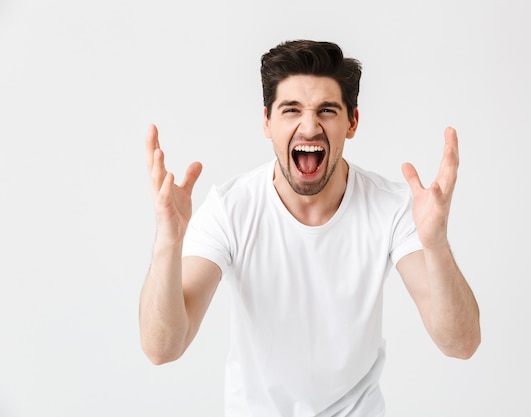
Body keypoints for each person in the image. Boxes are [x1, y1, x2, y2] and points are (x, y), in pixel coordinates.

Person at [139, 39, 480, 416]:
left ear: (352, 122)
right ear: (267, 121)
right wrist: (168, 243)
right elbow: (162, 348)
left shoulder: (391, 207)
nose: (309, 125)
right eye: (291, 110)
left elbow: (460, 343)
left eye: (327, 110)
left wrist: (436, 245)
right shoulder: (230, 208)